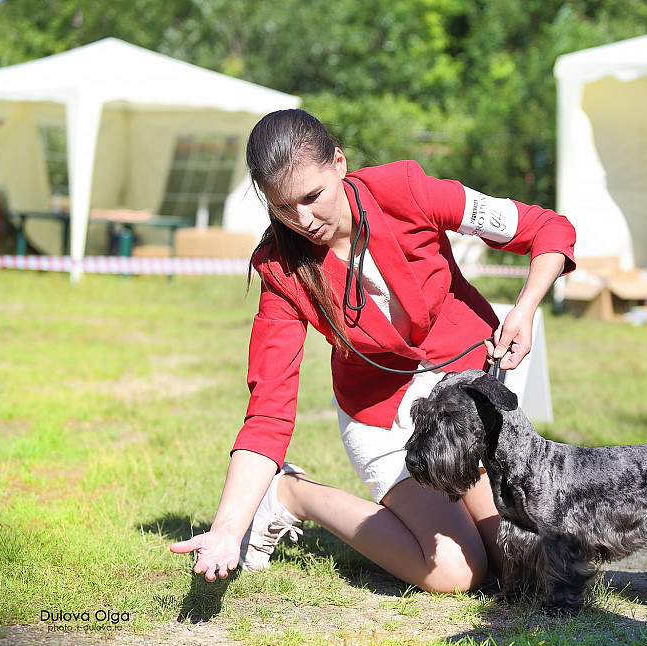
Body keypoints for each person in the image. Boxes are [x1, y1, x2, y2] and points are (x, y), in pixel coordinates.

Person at [170, 109, 576, 593]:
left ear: (338, 163)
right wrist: (227, 530)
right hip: (380, 416)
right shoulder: (281, 269)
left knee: (527, 569)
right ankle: (292, 493)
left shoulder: (407, 190)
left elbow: (546, 228)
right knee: (458, 573)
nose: (303, 221)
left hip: (461, 407)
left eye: (311, 197)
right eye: (283, 208)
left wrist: (526, 307)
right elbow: (268, 412)